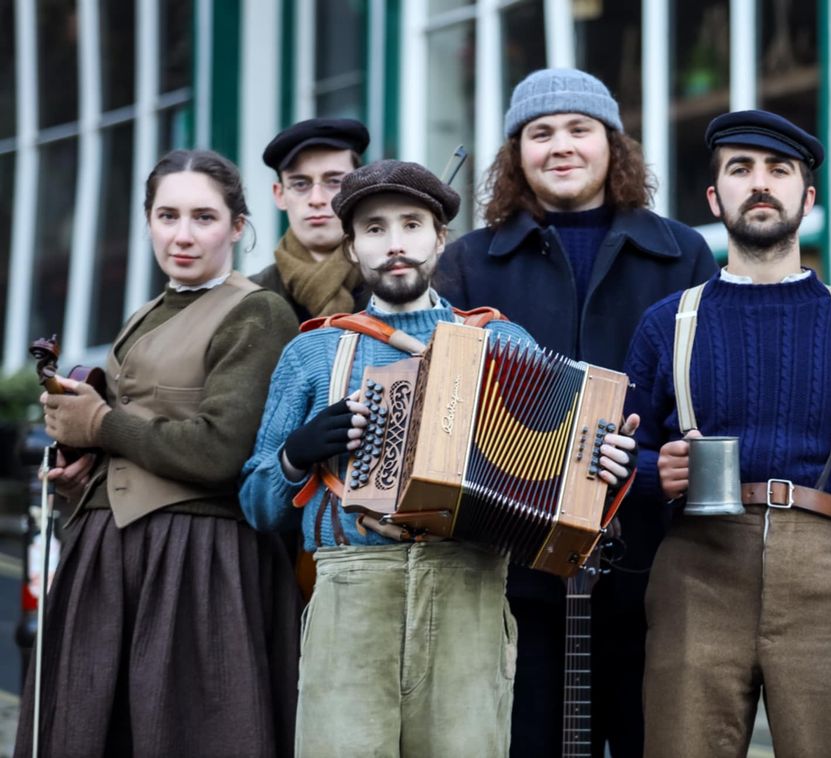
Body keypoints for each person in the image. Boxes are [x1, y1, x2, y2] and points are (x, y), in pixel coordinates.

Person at [240, 158, 639, 757]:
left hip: (468, 592)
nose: (395, 244)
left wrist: (602, 470)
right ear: (351, 247)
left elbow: (563, 491)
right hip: (351, 592)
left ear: (440, 239)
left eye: (412, 224)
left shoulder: (502, 342)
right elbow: (255, 505)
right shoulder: (313, 353)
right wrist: (297, 455)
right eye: (374, 229)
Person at [435, 67, 716, 757]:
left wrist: (643, 472)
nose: (561, 146)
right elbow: (446, 406)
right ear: (516, 154)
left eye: (579, 130)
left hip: (650, 567)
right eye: (540, 133)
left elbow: (704, 404)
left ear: (611, 145)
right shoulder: (468, 264)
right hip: (511, 574)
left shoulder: (683, 255)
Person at [623, 110, 831, 756]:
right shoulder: (667, 324)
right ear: (713, 197)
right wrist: (653, 473)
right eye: (740, 170)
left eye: (778, 171)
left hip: (830, 569)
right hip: (696, 569)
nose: (760, 184)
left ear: (807, 197)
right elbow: (616, 457)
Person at [17, 149, 301, 757]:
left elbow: (221, 451)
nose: (183, 235)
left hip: (198, 560)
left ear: (237, 227)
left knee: (190, 734)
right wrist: (81, 470)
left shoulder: (257, 311)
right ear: (147, 221)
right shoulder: (143, 314)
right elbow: (123, 436)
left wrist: (100, 424)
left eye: (204, 217)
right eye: (167, 215)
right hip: (105, 558)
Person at [252, 117, 372, 322]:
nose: (316, 200)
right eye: (300, 184)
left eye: (334, 182)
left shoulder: (395, 284)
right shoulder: (251, 299)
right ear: (279, 194)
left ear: (358, 189)